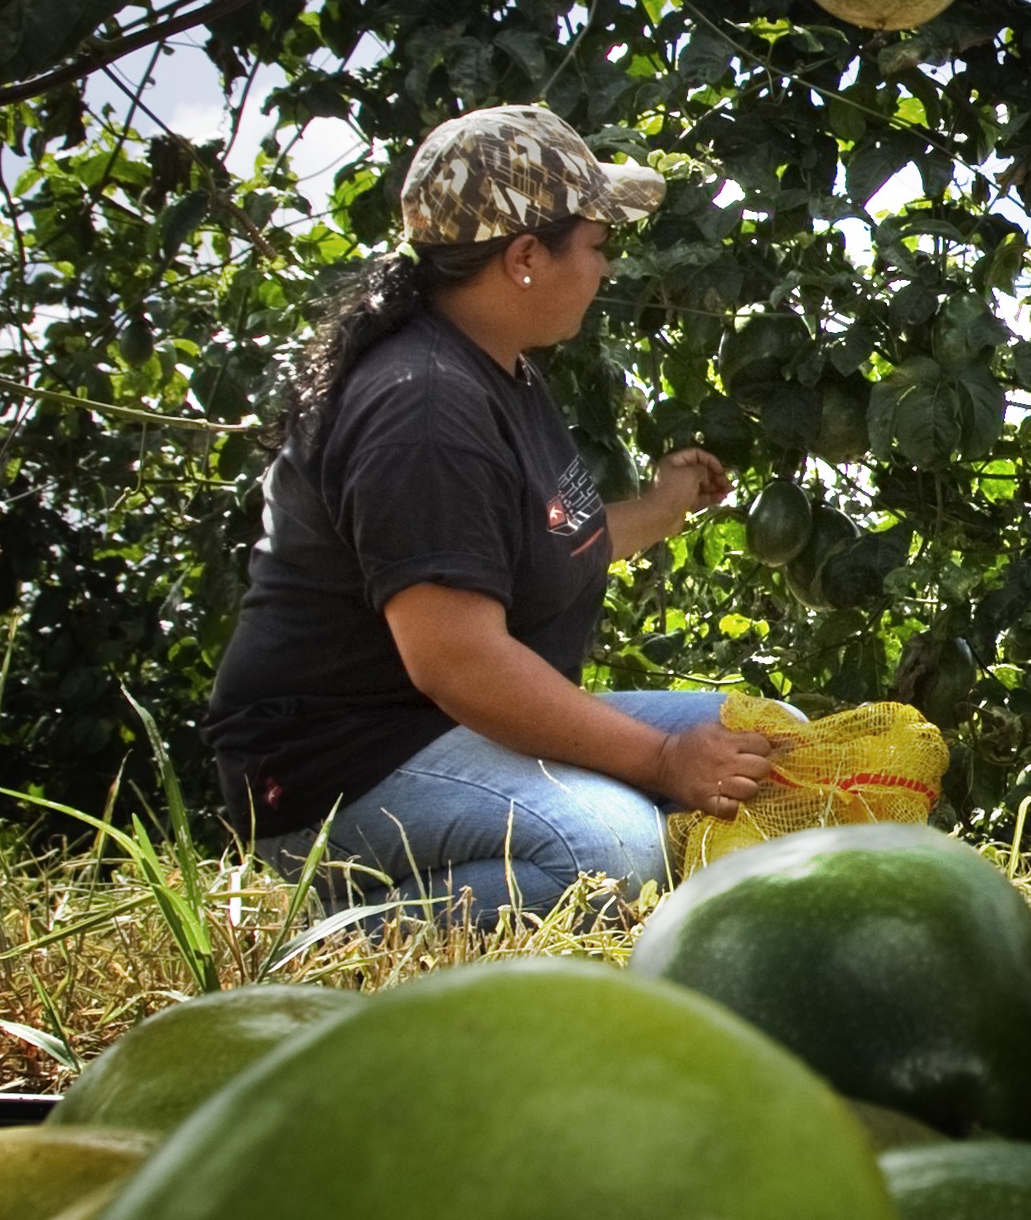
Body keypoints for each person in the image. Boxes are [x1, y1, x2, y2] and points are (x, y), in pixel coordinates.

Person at [205, 105, 779, 929]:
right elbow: (458, 662)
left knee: (775, 742)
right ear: (523, 258)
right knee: (609, 854)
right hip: (337, 774)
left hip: (446, 730)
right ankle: (317, 939)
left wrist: (661, 505)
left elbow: (552, 543)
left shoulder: (496, 369)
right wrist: (661, 759)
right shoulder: (426, 408)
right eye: (596, 244)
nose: (605, 268)